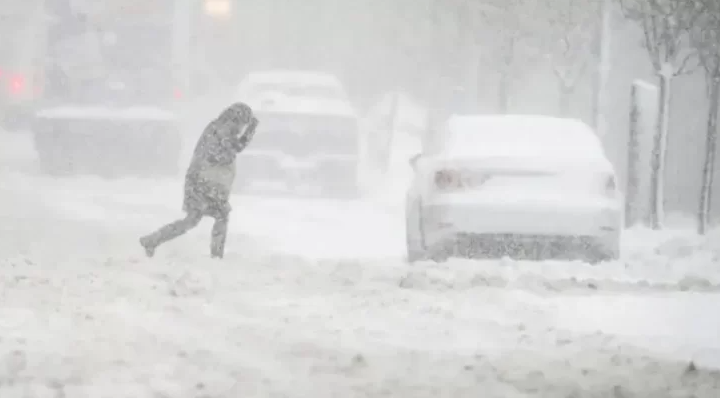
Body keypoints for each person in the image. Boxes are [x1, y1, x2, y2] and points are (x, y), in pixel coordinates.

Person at [139, 102, 259, 259]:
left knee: (197, 219)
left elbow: (232, 149)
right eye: (242, 124)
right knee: (213, 216)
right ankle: (216, 256)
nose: (240, 129)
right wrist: (249, 132)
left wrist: (248, 133)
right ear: (234, 120)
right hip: (203, 183)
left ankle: (153, 240)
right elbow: (229, 152)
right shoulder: (220, 131)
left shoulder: (219, 129)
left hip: (204, 182)